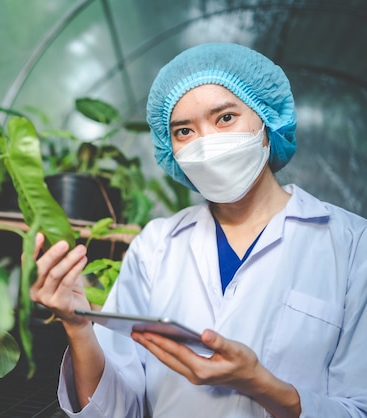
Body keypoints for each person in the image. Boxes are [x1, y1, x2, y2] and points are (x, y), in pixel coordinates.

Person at [30, 42, 367, 417]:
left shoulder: (352, 245)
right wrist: (79, 327)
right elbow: (117, 408)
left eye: (225, 118)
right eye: (184, 131)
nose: (206, 144)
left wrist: (260, 383)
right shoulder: (156, 245)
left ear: (267, 122)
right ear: (169, 146)